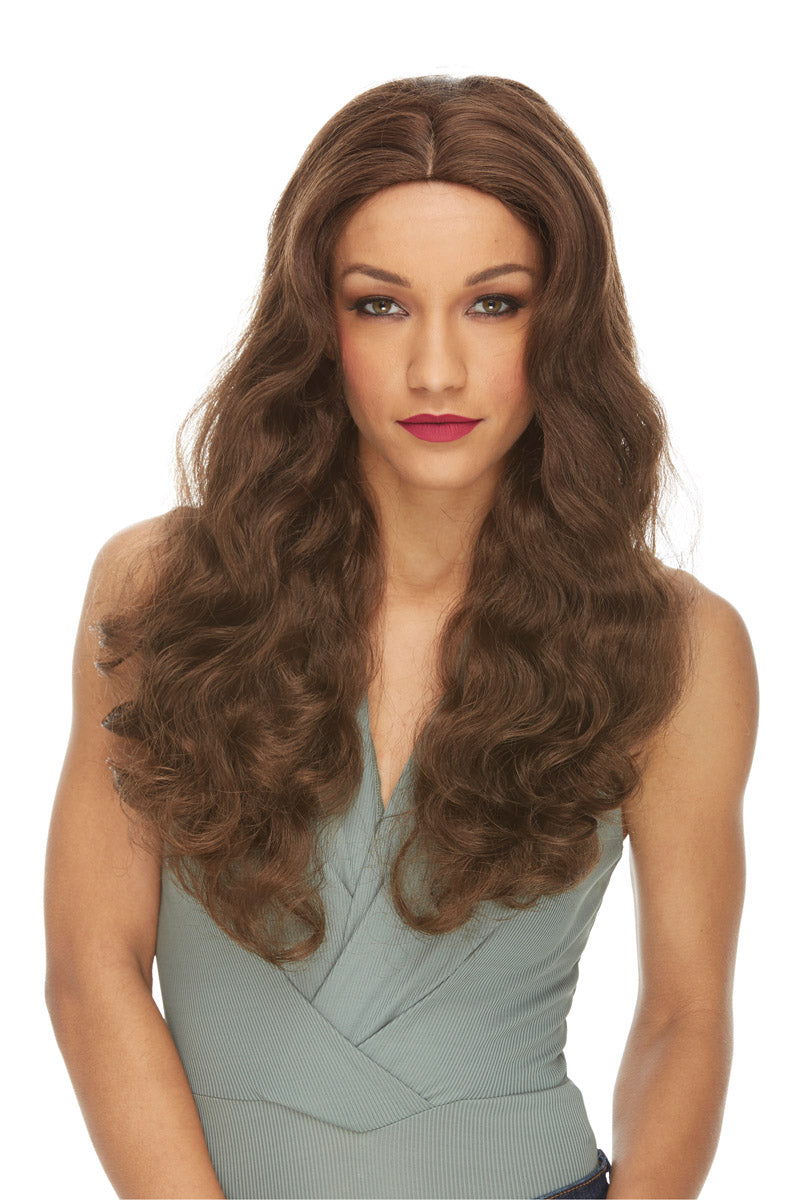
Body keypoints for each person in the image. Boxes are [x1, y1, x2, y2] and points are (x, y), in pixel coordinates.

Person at [44, 74, 758, 1200]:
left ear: (563, 322)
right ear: (315, 323)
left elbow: (684, 1015)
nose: (436, 369)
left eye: (493, 304)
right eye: (380, 305)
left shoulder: (676, 645)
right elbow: (93, 971)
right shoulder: (164, 589)